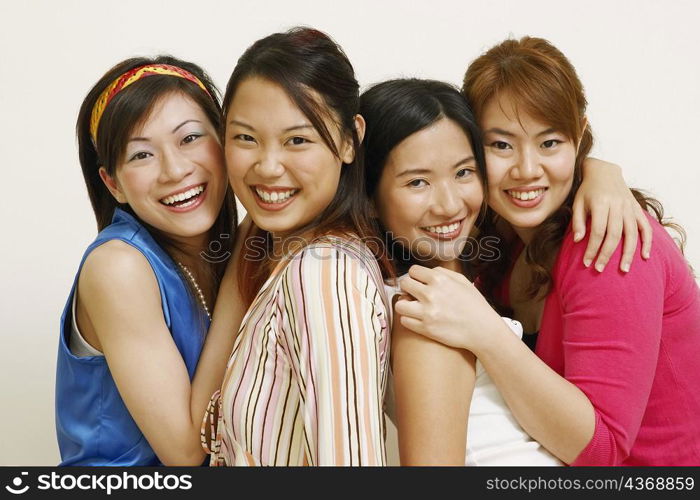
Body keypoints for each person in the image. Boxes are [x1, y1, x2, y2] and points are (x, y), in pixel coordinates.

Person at [394, 37, 700, 465]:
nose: (526, 169)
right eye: (501, 145)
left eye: (550, 143)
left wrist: (488, 334)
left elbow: (603, 452)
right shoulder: (496, 238)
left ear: (580, 136)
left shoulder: (609, 244)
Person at [360, 78, 648, 465]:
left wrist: (601, 172)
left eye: (464, 172)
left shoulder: (488, 262)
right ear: (369, 198)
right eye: (417, 182)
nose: (449, 205)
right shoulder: (429, 310)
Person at [203, 27, 393, 466]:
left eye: (298, 140)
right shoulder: (278, 256)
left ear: (350, 139)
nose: (267, 167)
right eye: (245, 138)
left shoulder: (325, 276)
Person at [57, 56, 242, 465]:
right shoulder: (118, 267)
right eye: (141, 155)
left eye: (190, 138)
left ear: (226, 141)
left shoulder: (227, 252)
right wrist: (241, 280)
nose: (175, 170)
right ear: (113, 183)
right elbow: (187, 452)